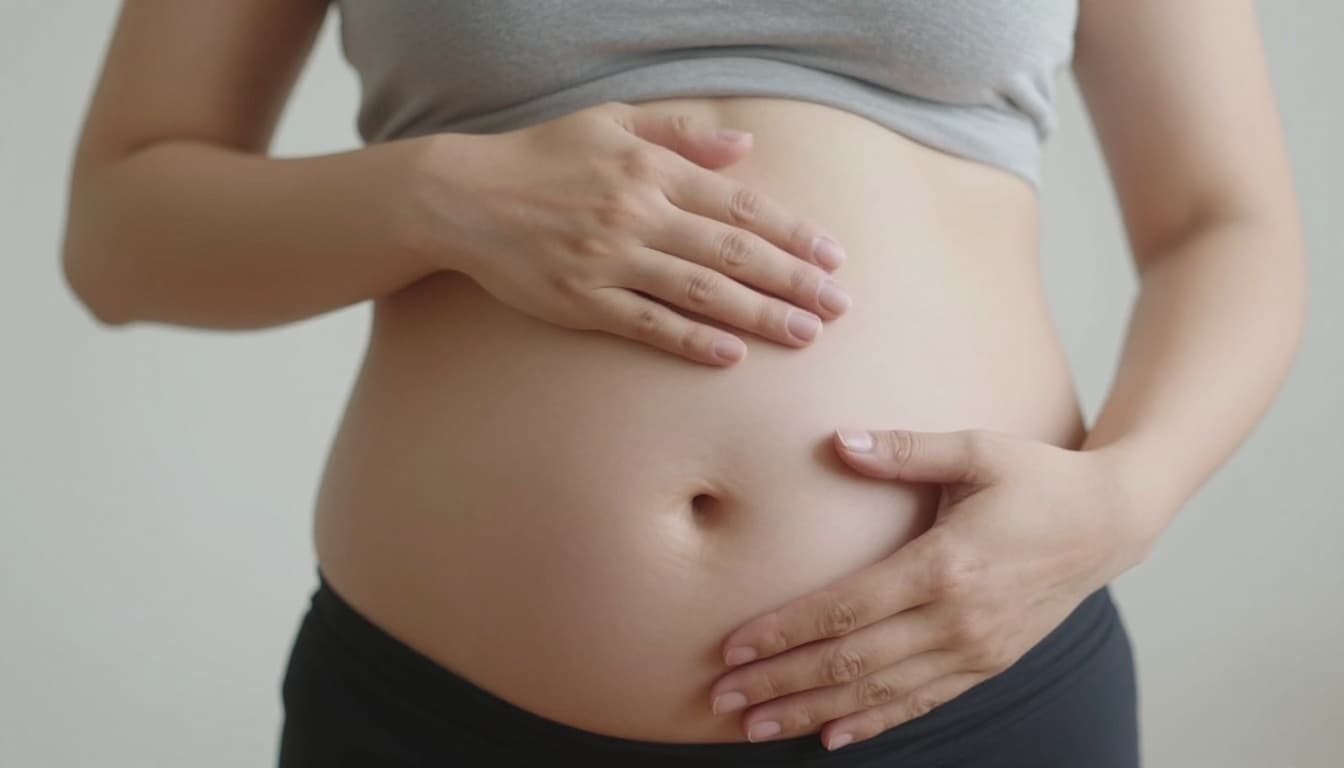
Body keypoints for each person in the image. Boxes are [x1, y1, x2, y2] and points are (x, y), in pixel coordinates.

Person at [61, 1, 1305, 766]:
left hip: (961, 682)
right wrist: (437, 197)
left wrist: (1128, 497)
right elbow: (118, 235)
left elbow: (1224, 220)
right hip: (439, 710)